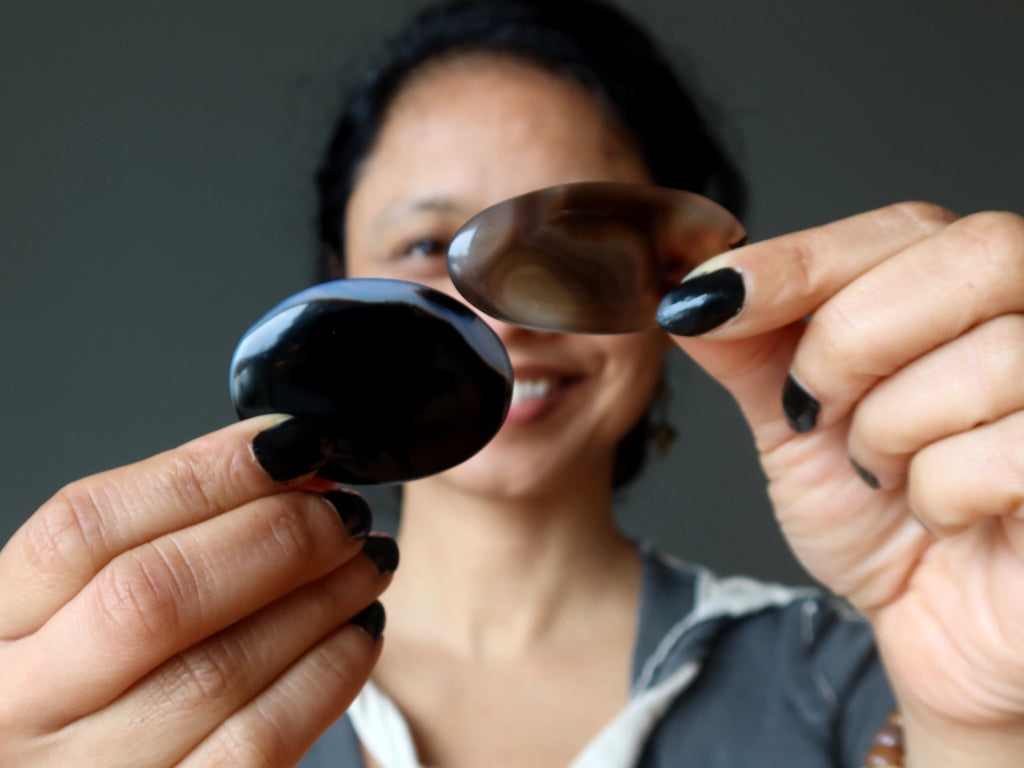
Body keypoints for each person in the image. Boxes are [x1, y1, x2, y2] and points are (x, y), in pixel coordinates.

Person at [2, 1, 1023, 766]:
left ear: (684, 284)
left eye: (574, 251)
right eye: (424, 245)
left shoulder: (863, 678)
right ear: (332, 284)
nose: (498, 320)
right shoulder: (135, 692)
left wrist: (981, 720)